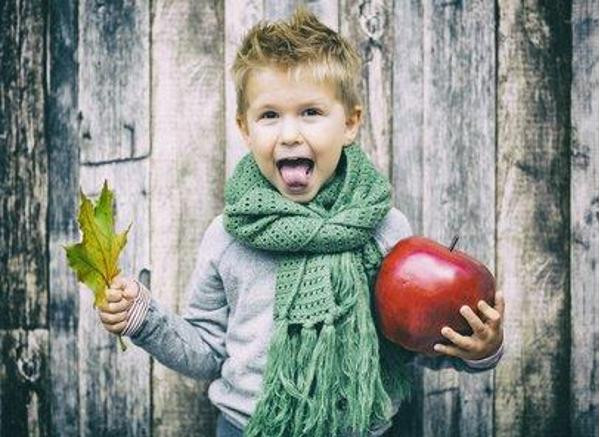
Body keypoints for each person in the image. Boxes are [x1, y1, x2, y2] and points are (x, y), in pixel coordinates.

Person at [96, 6, 505, 437]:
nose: (289, 134)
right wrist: (146, 319)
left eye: (310, 112)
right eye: (269, 115)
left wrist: (481, 348)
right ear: (245, 128)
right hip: (249, 427)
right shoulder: (228, 237)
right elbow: (206, 351)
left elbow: (414, 344)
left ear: (349, 123)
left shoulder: (385, 230)